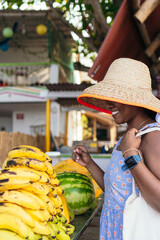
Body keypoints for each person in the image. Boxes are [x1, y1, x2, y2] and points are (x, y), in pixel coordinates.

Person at [72, 58, 160, 240]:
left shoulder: (151, 136)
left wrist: (130, 155)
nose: (109, 103)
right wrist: (90, 164)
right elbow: (117, 194)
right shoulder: (129, 137)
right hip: (115, 229)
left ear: (136, 100)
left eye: (117, 97)